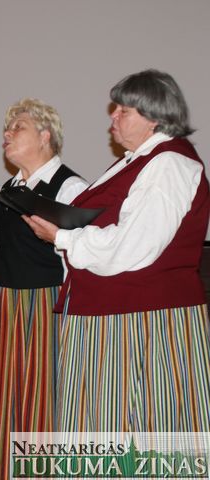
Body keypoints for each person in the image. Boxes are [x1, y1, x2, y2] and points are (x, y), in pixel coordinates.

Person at [25, 70, 210, 435]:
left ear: (154, 117)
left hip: (141, 322)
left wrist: (63, 237)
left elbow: (134, 246)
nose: (113, 116)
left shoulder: (169, 163)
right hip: (117, 315)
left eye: (124, 110)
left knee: (136, 424)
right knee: (103, 423)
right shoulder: (138, 160)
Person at [0, 98, 87, 478]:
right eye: (7, 127)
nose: (7, 133)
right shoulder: (11, 186)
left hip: (42, 307)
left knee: (38, 403)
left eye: (17, 127)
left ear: (45, 135)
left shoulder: (69, 187)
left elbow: (79, 260)